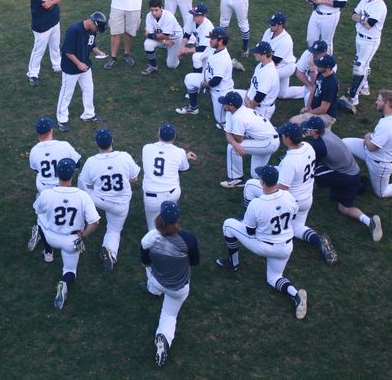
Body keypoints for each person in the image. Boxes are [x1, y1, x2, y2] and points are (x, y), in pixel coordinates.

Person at [216, 166, 308, 320]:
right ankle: (295, 294)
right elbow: (293, 214)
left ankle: (233, 263)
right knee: (274, 277)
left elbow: (250, 232)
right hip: (286, 247)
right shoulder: (288, 196)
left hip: (265, 247)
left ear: (262, 182)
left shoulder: (256, 204)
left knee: (228, 225)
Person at [33, 158, 100, 310]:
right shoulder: (82, 196)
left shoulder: (47, 193)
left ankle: (47, 251)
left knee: (39, 218)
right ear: (73, 175)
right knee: (70, 271)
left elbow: (38, 210)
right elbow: (95, 222)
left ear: (57, 174)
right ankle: (64, 283)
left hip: (51, 236)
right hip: (72, 241)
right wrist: (83, 235)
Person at [300, 116, 382, 241]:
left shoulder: (319, 145)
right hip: (353, 173)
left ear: (314, 131)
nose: (307, 130)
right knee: (344, 208)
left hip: (345, 176)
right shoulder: (326, 132)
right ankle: (369, 221)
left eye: (309, 129)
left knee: (312, 171)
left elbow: (308, 161)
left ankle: (302, 192)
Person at [139, 201, 200, 368]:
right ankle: (163, 338)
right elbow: (194, 262)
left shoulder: (148, 239)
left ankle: (152, 290)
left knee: (148, 269)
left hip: (157, 281)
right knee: (168, 315)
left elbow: (145, 262)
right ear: (178, 219)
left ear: (159, 218)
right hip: (179, 289)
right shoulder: (188, 239)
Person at [77, 128, 141, 272]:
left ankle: (80, 210)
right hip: (120, 204)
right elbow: (135, 178)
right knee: (114, 230)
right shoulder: (124, 157)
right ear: (112, 141)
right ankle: (110, 251)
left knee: (82, 178)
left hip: (98, 201)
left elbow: (88, 185)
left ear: (97, 143)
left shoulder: (91, 161)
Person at [276, 123, 337, 264]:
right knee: (297, 228)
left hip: (293, 201)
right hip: (307, 198)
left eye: (283, 135)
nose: (281, 137)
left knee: (261, 197)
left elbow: (282, 189)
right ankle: (318, 241)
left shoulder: (290, 161)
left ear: (289, 139)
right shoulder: (308, 146)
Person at [27, 116, 82, 262]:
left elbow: (35, 170)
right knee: (69, 214)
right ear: (51, 130)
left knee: (43, 220)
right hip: (63, 187)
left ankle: (48, 253)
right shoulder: (63, 145)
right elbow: (77, 163)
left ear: (38, 134)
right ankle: (72, 241)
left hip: (44, 190)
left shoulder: (34, 151)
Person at [337, 0, 388, 114]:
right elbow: (353, 15)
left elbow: (369, 24)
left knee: (360, 67)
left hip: (370, 40)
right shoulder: (364, 0)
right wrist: (362, 19)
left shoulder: (380, 7)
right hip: (359, 37)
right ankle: (364, 86)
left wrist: (361, 19)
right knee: (362, 63)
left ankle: (353, 98)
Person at [55, 12, 108, 132]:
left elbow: (91, 44)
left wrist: (98, 51)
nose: (97, 31)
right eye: (98, 28)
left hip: (85, 66)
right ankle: (62, 119)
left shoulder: (92, 30)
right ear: (94, 23)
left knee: (89, 88)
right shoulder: (74, 30)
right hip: (71, 68)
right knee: (66, 93)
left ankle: (89, 114)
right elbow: (67, 51)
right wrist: (78, 63)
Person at [218, 91, 279, 189]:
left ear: (231, 106)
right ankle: (276, 179)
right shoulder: (234, 112)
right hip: (263, 140)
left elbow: (239, 140)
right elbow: (228, 133)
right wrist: (234, 142)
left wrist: (234, 143)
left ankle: (236, 179)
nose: (222, 104)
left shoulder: (238, 117)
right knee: (256, 174)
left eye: (225, 103)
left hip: (268, 143)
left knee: (232, 148)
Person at [141, 123, 197, 230]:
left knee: (153, 229)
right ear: (174, 136)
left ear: (158, 134)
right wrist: (185, 157)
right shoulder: (179, 152)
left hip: (151, 198)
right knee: (170, 225)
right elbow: (182, 168)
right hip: (171, 195)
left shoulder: (146, 148)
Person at [175, 27, 234, 125]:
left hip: (220, 91)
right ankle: (193, 108)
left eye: (212, 39)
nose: (210, 40)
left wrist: (204, 86)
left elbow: (216, 81)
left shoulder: (223, 58)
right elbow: (201, 54)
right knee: (189, 79)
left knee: (220, 121)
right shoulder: (213, 48)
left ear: (221, 40)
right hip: (208, 81)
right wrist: (184, 52)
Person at [27, 0, 64, 86]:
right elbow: (47, 5)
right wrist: (54, 0)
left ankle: (57, 66)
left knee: (55, 46)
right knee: (38, 50)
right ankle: (32, 74)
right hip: (42, 26)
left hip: (54, 21)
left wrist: (53, 0)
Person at [289, 54, 339, 127]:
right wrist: (307, 107)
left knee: (294, 121)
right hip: (317, 109)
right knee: (299, 118)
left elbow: (323, 109)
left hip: (327, 116)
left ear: (328, 68)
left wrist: (309, 113)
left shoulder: (331, 84)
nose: (317, 66)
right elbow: (314, 88)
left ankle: (315, 130)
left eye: (320, 65)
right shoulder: (322, 73)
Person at [261, 12, 301, 100]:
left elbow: (273, 61)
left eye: (273, 24)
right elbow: (262, 48)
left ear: (280, 26)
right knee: (283, 94)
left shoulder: (286, 40)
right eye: (270, 23)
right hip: (276, 63)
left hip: (286, 67)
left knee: (266, 74)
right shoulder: (268, 32)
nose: (270, 25)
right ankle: (306, 90)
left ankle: (261, 94)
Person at [141, 0, 183, 75]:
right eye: (152, 10)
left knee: (171, 66)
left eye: (156, 10)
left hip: (174, 39)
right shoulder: (149, 16)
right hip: (165, 40)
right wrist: (164, 41)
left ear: (161, 8)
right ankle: (153, 66)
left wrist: (152, 35)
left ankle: (178, 54)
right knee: (147, 44)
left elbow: (163, 35)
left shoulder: (168, 16)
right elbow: (148, 35)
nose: (154, 13)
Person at [239, 40, 279, 121]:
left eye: (256, 52)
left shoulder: (268, 73)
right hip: (250, 99)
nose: (254, 54)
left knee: (244, 127)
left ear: (264, 55)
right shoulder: (261, 65)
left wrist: (249, 106)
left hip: (260, 109)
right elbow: (253, 85)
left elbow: (260, 96)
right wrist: (247, 96)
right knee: (229, 96)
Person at [285, 40, 329, 106]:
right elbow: (299, 73)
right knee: (283, 94)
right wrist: (309, 86)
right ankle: (305, 90)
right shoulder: (308, 53)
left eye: (317, 53)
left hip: (321, 90)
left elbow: (317, 84)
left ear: (325, 52)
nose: (313, 55)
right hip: (309, 84)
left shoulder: (329, 65)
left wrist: (312, 69)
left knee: (309, 100)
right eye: (313, 52)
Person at [177, 3, 215, 74]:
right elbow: (187, 34)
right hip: (200, 45)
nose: (194, 16)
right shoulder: (191, 18)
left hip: (210, 48)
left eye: (197, 15)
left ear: (203, 16)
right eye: (194, 14)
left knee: (196, 57)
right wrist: (182, 47)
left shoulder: (208, 27)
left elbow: (202, 48)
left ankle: (196, 78)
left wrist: (186, 50)